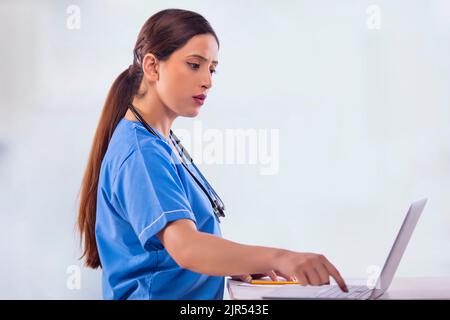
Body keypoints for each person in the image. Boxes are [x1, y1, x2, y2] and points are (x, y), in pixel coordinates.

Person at [77, 8, 348, 300]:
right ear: (153, 67)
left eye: (212, 68)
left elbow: (183, 253)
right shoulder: (142, 153)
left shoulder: (159, 141)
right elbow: (187, 248)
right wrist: (281, 258)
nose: (208, 81)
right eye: (195, 65)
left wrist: (236, 262)